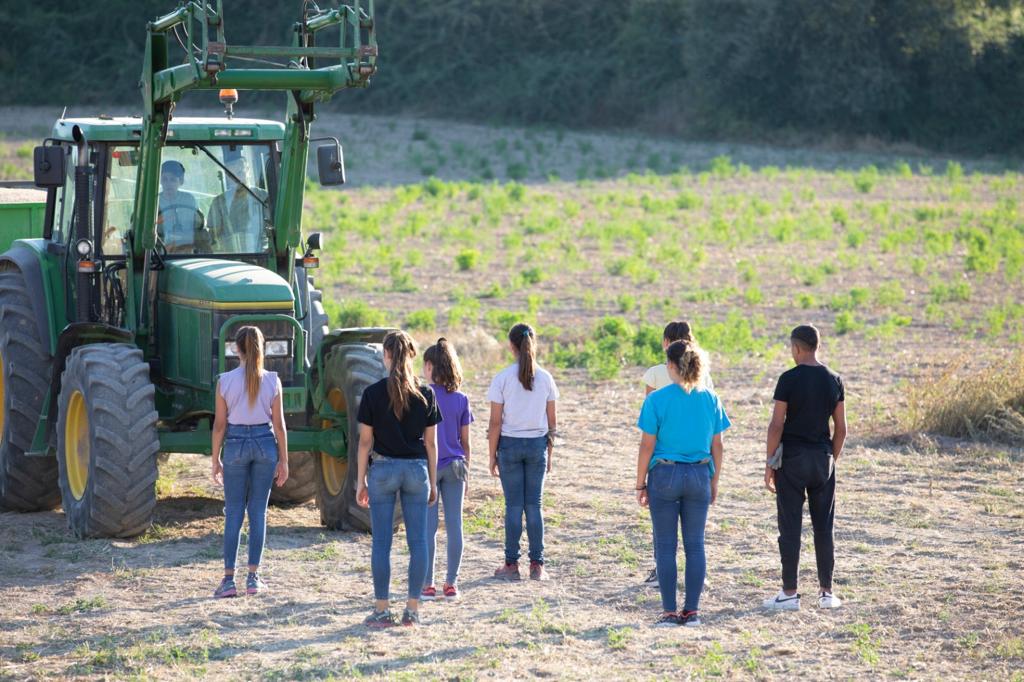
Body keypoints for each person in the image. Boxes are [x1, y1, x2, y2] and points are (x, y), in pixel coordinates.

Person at [635, 340, 730, 627]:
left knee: (665, 546)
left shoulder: (656, 400)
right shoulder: (711, 398)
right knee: (695, 545)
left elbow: (646, 447)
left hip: (665, 475)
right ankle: (692, 612)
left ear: (674, 367)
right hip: (700, 474)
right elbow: (719, 446)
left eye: (667, 363)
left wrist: (640, 483)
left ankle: (668, 612)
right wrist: (714, 480)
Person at [356, 330, 440, 627]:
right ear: (413, 356)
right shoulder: (426, 393)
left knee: (382, 543)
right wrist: (432, 480)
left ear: (387, 355)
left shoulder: (373, 393)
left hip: (383, 470)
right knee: (419, 542)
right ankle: (412, 610)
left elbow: (365, 442)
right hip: (417, 470)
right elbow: (431, 444)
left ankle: (381, 610)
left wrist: (359, 481)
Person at [763, 325, 846, 611]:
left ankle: (789, 592)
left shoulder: (788, 379)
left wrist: (769, 461)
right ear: (817, 346)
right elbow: (842, 429)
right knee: (824, 526)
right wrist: (831, 458)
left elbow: (776, 425)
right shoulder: (834, 379)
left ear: (797, 348)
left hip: (792, 461)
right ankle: (826, 592)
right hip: (822, 458)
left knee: (790, 527)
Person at [210, 326, 289, 598]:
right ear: (261, 348)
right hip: (265, 444)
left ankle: (229, 580)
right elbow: (279, 427)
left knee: (233, 512)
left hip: (235, 444)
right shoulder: (273, 381)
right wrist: (285, 462)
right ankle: (253, 578)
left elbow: (219, 426)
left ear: (236, 349)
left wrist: (215, 459)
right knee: (258, 512)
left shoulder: (225, 381)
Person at [641, 320, 714, 584]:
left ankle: (660, 571)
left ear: (665, 342)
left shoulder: (655, 374)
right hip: (697, 456)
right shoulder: (702, 375)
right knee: (695, 530)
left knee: (663, 526)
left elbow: (648, 419)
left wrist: (640, 480)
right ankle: (697, 573)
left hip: (664, 457)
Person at [488, 323, 559, 582]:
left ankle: (511, 564)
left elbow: (495, 423)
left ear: (511, 346)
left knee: (513, 506)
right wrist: (549, 454)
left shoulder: (502, 378)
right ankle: (537, 565)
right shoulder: (546, 378)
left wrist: (491, 455)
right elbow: (552, 423)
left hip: (509, 445)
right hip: (537, 445)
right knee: (534, 506)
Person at [420, 339, 473, 601]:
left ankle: (427, 584)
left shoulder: (422, 395)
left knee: (428, 528)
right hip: (456, 465)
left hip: (429, 466)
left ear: (430, 367)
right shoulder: (462, 399)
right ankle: (451, 583)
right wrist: (468, 471)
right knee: (455, 526)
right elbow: (466, 442)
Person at [207, 155, 269, 252]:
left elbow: (276, 233)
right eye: (231, 175)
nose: (237, 178)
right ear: (226, 176)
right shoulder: (218, 203)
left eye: (240, 172)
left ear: (248, 170)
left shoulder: (264, 197)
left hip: (263, 256)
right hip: (231, 258)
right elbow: (214, 238)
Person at [157, 160, 206, 253]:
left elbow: (199, 224)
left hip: (187, 250)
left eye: (173, 179)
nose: (168, 184)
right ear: (160, 181)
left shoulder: (189, 200)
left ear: (181, 181)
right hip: (161, 251)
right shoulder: (155, 202)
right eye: (164, 179)